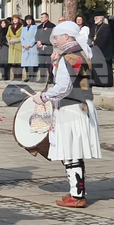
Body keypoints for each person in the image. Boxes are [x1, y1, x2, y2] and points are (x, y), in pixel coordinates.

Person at [29, 21, 101, 208]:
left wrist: (43, 97)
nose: (54, 40)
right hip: (81, 104)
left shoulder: (69, 57)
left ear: (67, 37)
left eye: (57, 37)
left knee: (71, 153)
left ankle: (77, 196)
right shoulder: (80, 53)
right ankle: (76, 191)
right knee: (73, 153)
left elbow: (63, 87)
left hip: (71, 108)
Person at [91, 12, 114, 86]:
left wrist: (96, 43)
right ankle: (96, 82)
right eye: (95, 18)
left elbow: (104, 38)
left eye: (97, 18)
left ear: (102, 18)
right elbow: (91, 36)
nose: (95, 19)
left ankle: (105, 82)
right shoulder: (94, 27)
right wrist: (91, 41)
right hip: (95, 50)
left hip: (104, 50)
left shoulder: (106, 27)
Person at [35, 13, 56, 81]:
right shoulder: (39, 26)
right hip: (40, 47)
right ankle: (42, 78)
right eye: (41, 17)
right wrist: (38, 41)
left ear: (47, 18)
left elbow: (51, 37)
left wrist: (43, 42)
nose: (41, 19)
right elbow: (36, 35)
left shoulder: (51, 26)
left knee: (49, 63)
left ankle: (50, 78)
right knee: (41, 63)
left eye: (43, 17)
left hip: (48, 47)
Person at [20, 15, 39, 81]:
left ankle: (33, 77)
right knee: (26, 62)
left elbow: (35, 37)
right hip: (25, 47)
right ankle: (28, 76)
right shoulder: (24, 28)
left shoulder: (35, 27)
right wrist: (24, 44)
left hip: (32, 47)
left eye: (29, 20)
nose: (28, 21)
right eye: (27, 20)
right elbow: (21, 37)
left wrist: (29, 44)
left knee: (32, 62)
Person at [6, 15, 24, 80]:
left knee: (18, 61)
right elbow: (7, 35)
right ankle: (14, 76)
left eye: (16, 19)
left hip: (18, 45)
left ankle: (19, 76)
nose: (15, 20)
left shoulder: (22, 27)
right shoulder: (10, 27)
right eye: (13, 19)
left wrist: (15, 40)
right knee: (13, 62)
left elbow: (22, 36)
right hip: (12, 45)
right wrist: (9, 40)